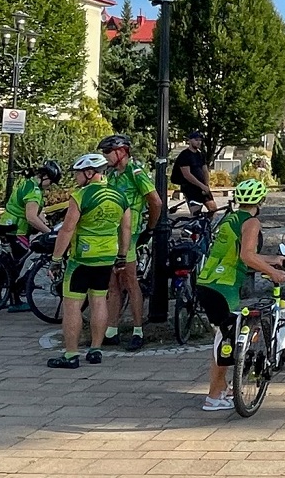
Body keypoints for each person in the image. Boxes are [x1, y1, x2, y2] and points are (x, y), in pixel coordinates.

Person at [193, 179, 285, 411]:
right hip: (224, 288)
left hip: (208, 283)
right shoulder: (252, 222)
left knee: (223, 341)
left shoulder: (231, 219)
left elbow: (237, 254)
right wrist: (273, 272)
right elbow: (247, 256)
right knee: (226, 345)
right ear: (261, 201)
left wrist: (271, 259)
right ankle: (214, 397)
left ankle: (221, 388)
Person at [47, 154, 130, 369]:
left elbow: (67, 229)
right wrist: (122, 255)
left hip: (81, 258)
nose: (76, 177)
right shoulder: (119, 195)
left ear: (90, 173)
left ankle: (71, 355)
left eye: (78, 173)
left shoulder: (81, 196)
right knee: (99, 301)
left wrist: (56, 259)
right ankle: (95, 350)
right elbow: (126, 229)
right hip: (107, 257)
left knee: (72, 306)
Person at [97, 134, 161, 351]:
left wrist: (150, 228)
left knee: (131, 282)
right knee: (112, 285)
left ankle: (137, 330)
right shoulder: (113, 176)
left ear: (121, 152)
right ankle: (112, 330)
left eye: (107, 152)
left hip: (129, 235)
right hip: (111, 235)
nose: (104, 157)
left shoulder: (136, 174)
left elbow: (156, 201)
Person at [0, 160, 59, 312]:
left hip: (6, 223)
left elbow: (37, 214)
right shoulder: (34, 192)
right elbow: (31, 217)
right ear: (45, 177)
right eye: (51, 182)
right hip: (17, 229)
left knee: (7, 262)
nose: (50, 186)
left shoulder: (28, 183)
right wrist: (49, 232)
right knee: (18, 262)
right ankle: (14, 300)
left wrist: (45, 222)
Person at [173, 131, 216, 216]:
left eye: (200, 140)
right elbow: (187, 175)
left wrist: (206, 185)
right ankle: (194, 228)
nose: (199, 142)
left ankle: (206, 227)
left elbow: (205, 170)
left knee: (213, 209)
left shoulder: (200, 155)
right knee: (196, 213)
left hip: (203, 187)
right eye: (196, 140)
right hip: (190, 188)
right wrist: (201, 186)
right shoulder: (184, 155)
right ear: (190, 141)